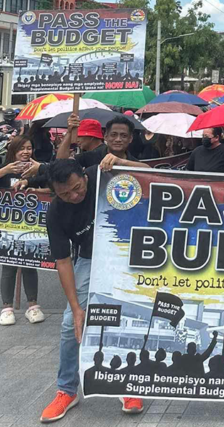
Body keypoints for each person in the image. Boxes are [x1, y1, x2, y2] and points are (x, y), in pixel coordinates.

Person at [40, 159, 143, 422]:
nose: (74, 196)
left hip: (131, 254)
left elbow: (150, 176)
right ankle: (66, 390)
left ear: (84, 177)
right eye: (65, 194)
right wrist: (76, 309)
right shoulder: (56, 213)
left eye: (77, 188)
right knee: (69, 324)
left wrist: (122, 162)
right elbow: (63, 261)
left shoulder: (103, 176)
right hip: (89, 259)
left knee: (127, 318)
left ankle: (127, 385)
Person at [0, 136, 50, 327]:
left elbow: (52, 187)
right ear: (12, 150)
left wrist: (38, 189)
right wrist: (5, 170)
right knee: (8, 265)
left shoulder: (37, 169)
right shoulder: (5, 169)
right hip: (7, 226)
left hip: (32, 226)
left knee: (30, 263)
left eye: (29, 148)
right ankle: (6, 308)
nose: (26, 152)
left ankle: (33, 305)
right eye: (21, 148)